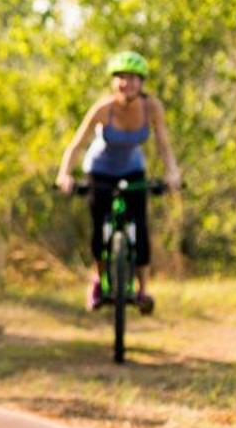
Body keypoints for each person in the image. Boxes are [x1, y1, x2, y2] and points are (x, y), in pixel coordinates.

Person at [56, 52, 182, 312]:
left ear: (142, 82)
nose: (128, 83)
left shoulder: (152, 108)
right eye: (122, 78)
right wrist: (65, 174)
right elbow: (76, 145)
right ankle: (99, 283)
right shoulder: (104, 109)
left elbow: (163, 145)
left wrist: (172, 174)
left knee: (141, 228)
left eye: (134, 78)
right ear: (114, 82)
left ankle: (142, 291)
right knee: (99, 230)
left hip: (133, 170)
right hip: (100, 170)